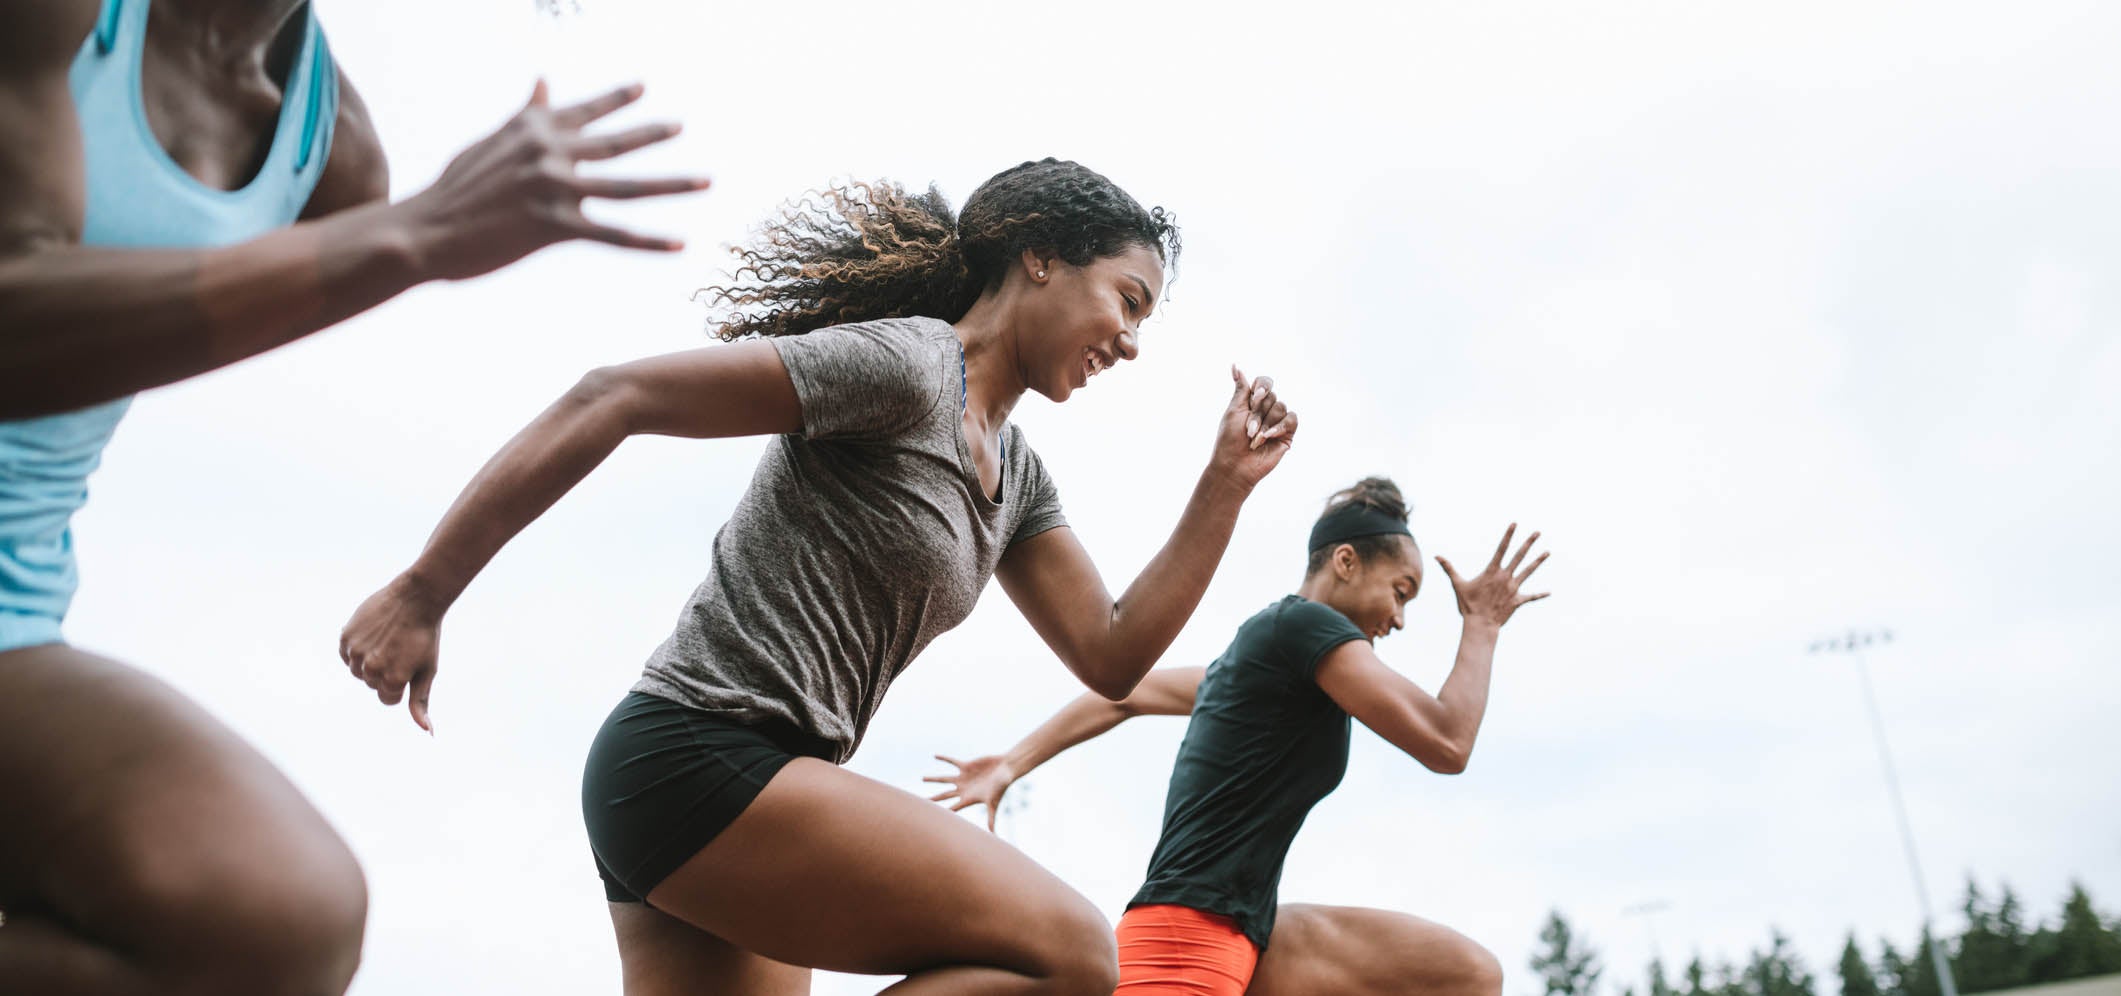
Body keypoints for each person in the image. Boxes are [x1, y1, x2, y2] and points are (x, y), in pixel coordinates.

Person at [338, 159, 1299, 995]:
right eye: (1127, 300)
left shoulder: (1020, 483)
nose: (1130, 341)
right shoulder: (908, 366)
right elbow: (615, 394)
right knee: (1074, 957)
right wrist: (425, 591)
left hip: (745, 795)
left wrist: (1223, 488)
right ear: (1039, 255)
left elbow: (1112, 654)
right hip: (697, 756)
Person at [0, 0, 710, 989]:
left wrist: (408, 237)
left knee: (276, 921)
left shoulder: (329, 152)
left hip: (18, 607)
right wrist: (420, 234)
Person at [926, 477, 1546, 996]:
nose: (1401, 618)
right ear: (1346, 562)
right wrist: (1483, 626)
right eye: (1400, 592)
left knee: (1467, 974)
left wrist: (1010, 763)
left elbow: (1127, 695)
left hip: (1248, 925)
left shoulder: (1259, 668)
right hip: (1184, 938)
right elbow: (1446, 740)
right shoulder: (1302, 628)